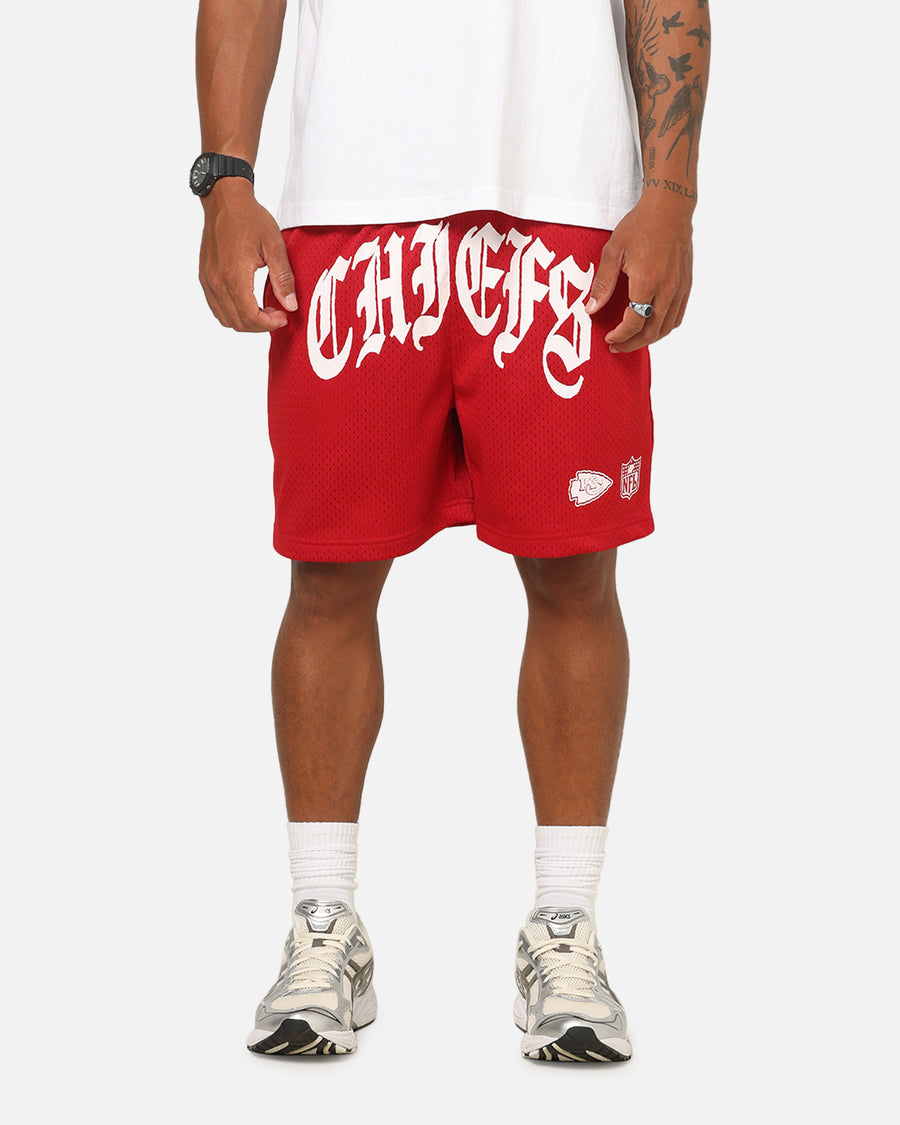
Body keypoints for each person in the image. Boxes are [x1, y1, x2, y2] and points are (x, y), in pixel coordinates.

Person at [192, 0, 710, 1062]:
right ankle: (324, 921)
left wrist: (670, 194)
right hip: (352, 197)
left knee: (574, 574)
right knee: (329, 574)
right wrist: (225, 181)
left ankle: (564, 926)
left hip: (564, 194)